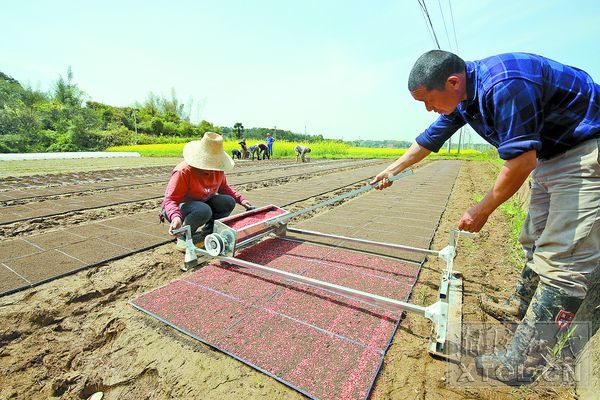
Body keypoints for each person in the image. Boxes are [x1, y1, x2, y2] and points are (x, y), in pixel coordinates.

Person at [371, 50, 599, 377]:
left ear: (452, 82)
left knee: (566, 255)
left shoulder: (505, 84)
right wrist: (391, 170)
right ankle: (520, 306)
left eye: (428, 100)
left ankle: (526, 362)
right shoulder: (465, 96)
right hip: (552, 156)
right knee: (533, 238)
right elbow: (431, 137)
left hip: (586, 150)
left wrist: (482, 209)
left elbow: (520, 162)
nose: (427, 108)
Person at [161, 132, 254, 251]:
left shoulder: (218, 170)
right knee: (203, 210)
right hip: (179, 207)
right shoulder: (183, 172)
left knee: (228, 201)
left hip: (202, 201)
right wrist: (175, 217)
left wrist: (241, 200)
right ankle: (184, 235)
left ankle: (209, 231)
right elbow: (170, 200)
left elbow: (224, 188)